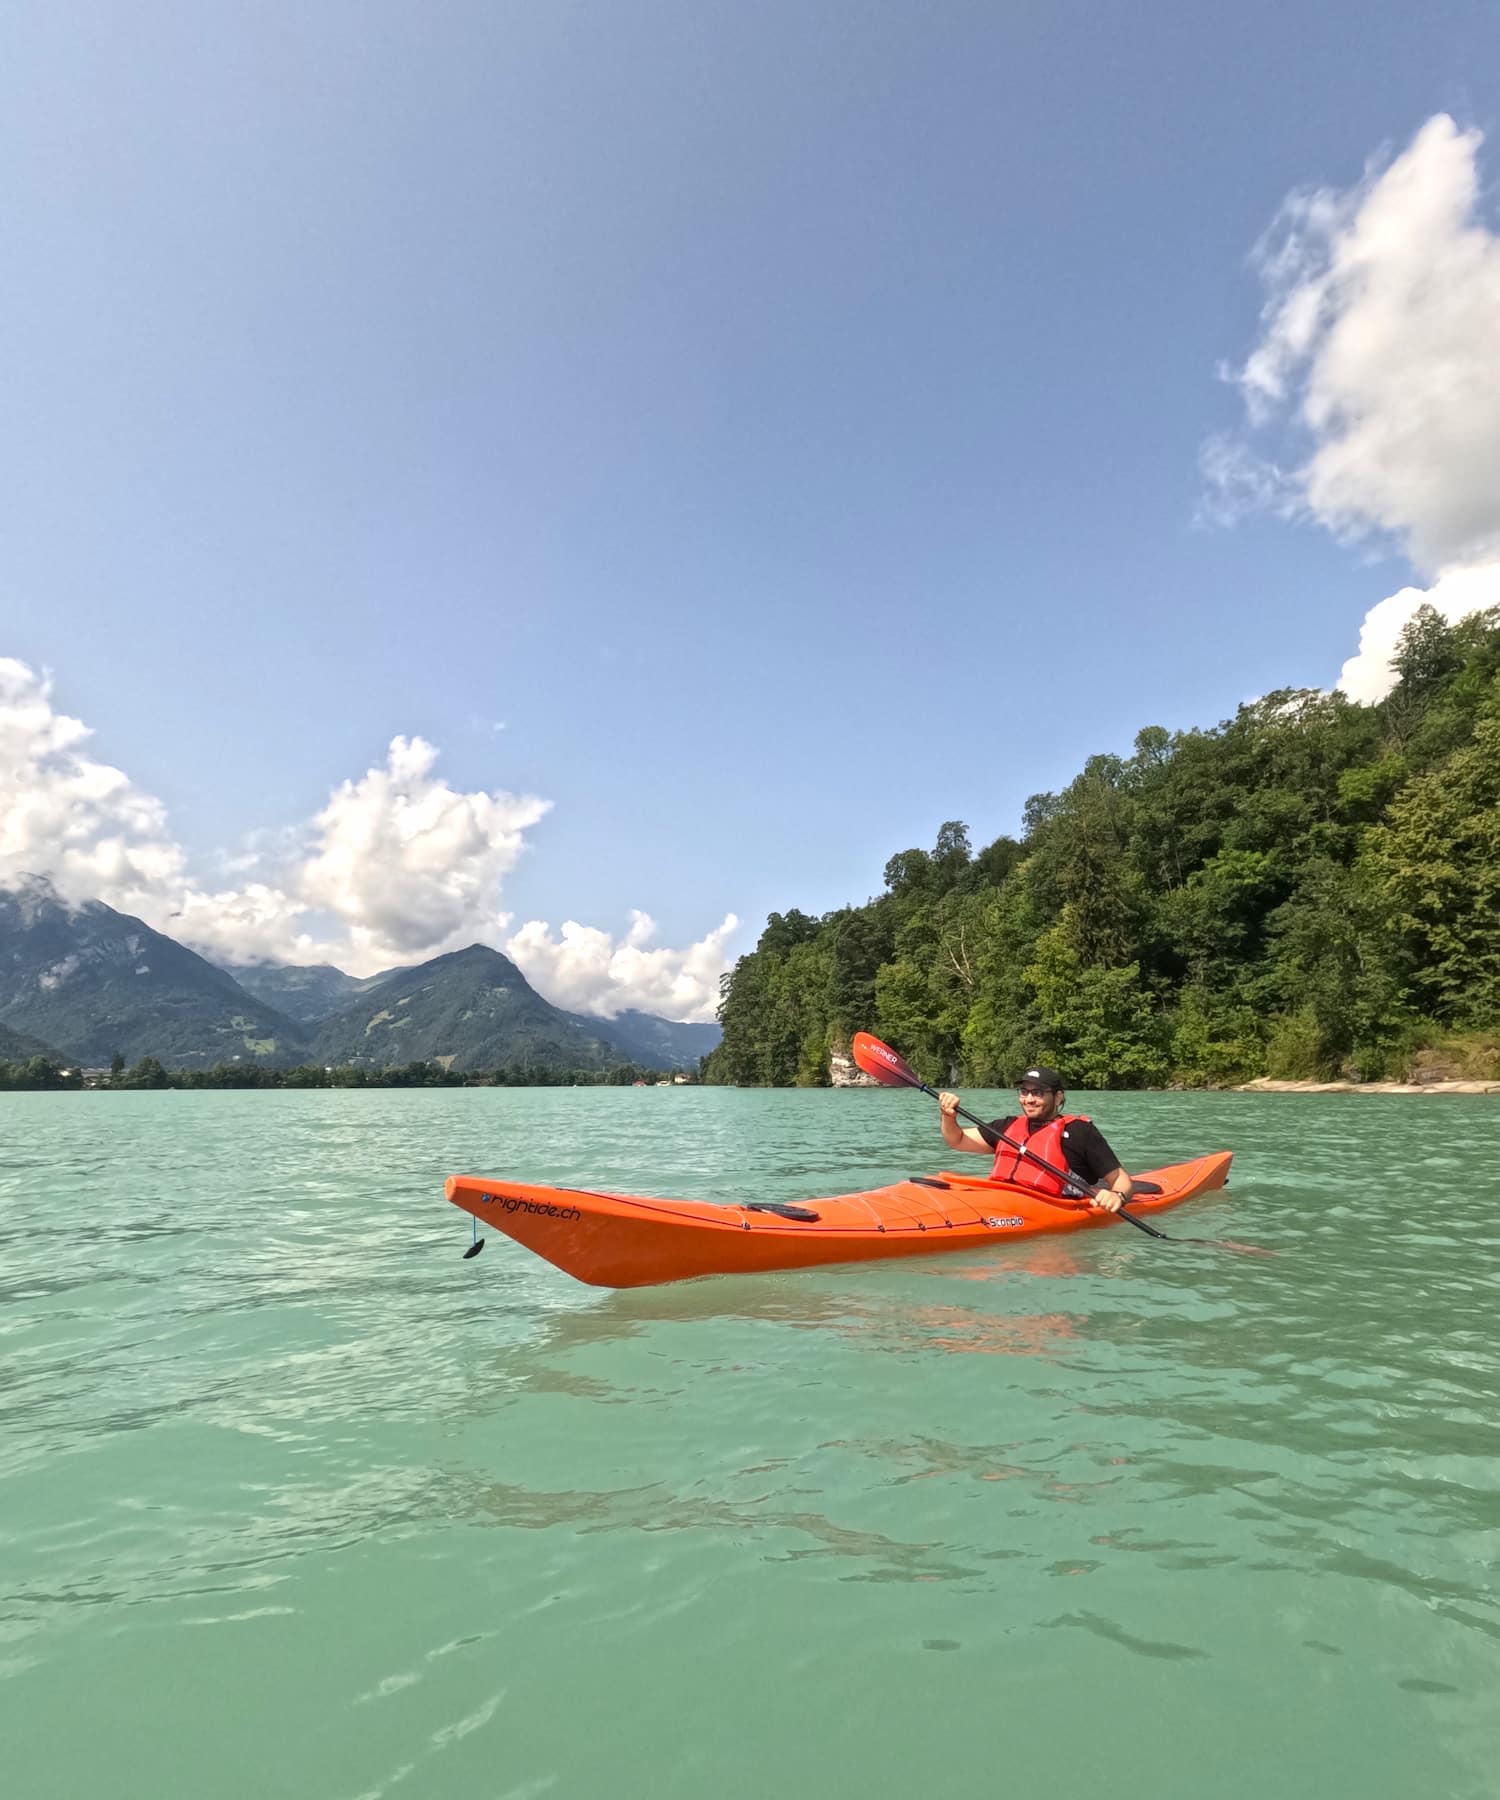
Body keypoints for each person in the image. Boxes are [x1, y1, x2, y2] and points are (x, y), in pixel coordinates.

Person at [937, 1064, 1134, 1213]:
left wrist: (1117, 1196)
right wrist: (948, 1115)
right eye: (1024, 1092)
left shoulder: (1079, 1132)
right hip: (1001, 1203)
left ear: (1058, 1098)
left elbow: (1120, 1179)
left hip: (1054, 1208)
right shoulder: (1006, 1126)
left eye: (1038, 1093)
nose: (1029, 1099)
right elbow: (957, 1140)